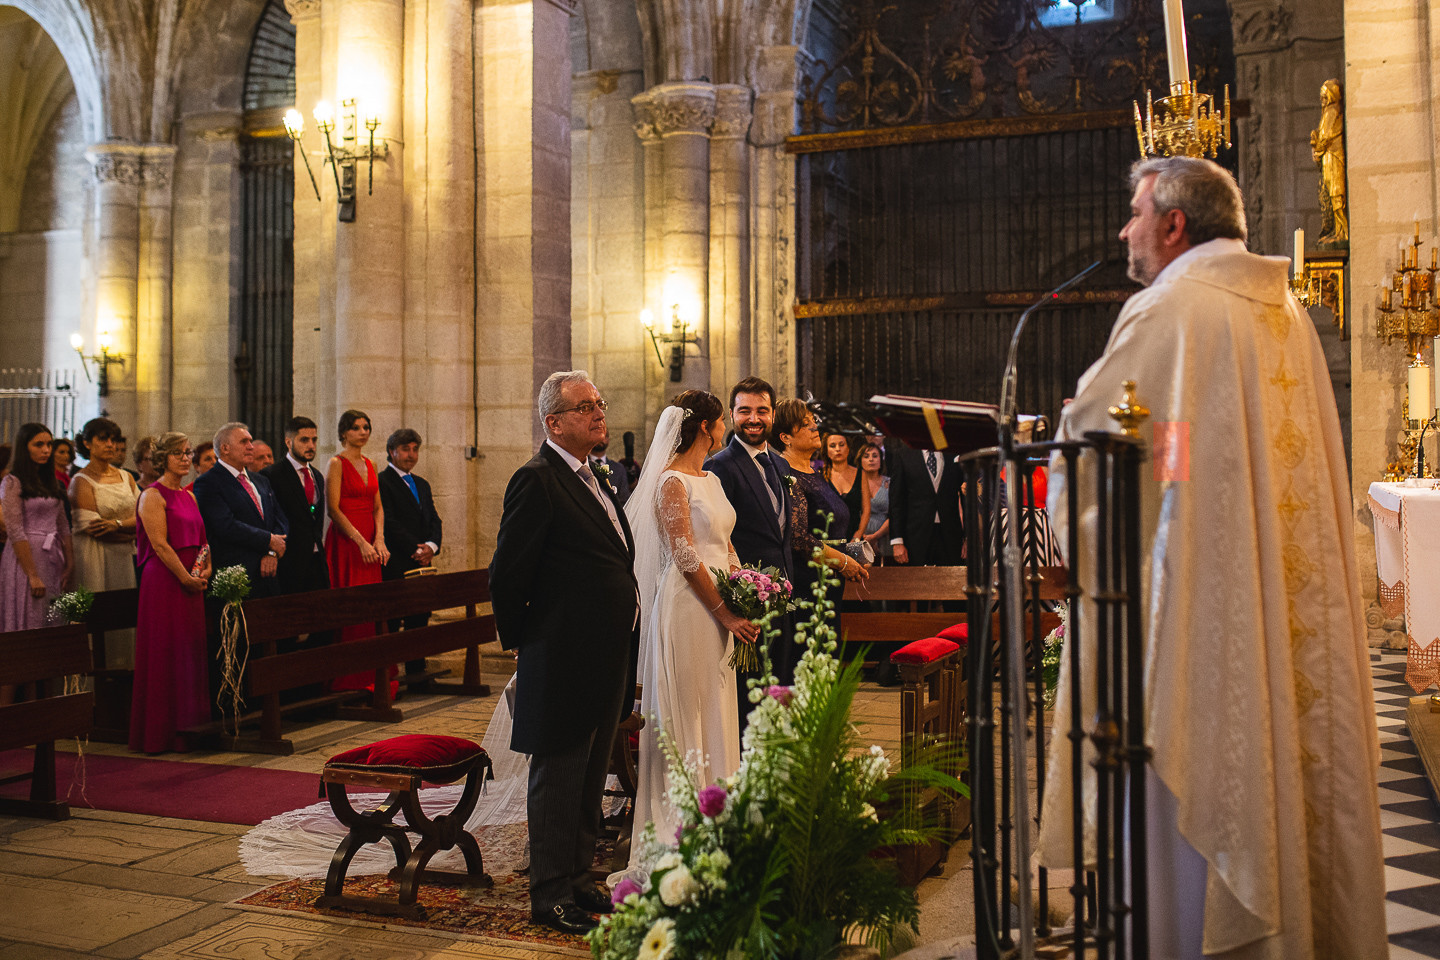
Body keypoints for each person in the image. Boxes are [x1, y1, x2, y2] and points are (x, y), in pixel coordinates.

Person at [1038, 156, 1386, 959]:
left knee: (1188, 843)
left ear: (1172, 224)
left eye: (1133, 214)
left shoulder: (1170, 310)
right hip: (1272, 602)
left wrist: (1069, 476)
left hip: (1198, 620)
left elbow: (1102, 455)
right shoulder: (1284, 310)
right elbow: (1191, 451)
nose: (1124, 230)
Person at [489, 370, 639, 936]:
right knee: (557, 779)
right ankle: (549, 894)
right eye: (585, 407)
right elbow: (507, 575)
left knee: (588, 777)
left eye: (600, 402)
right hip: (563, 657)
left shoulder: (594, 475)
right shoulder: (537, 479)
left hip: (604, 657)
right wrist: (539, 643)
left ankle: (579, 880)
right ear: (554, 422)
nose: (599, 413)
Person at [625, 391, 758, 866]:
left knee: (718, 699)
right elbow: (685, 557)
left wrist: (752, 589)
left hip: (723, 601)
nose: (724, 428)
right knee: (690, 702)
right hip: (690, 607)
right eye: (722, 421)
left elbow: (725, 545)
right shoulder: (670, 483)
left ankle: (719, 801)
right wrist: (724, 611)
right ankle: (686, 811)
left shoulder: (713, 479)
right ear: (708, 426)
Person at [705, 377, 795, 705]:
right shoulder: (719, 467)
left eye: (762, 411)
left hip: (785, 595)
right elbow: (716, 537)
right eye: (745, 411)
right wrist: (736, 601)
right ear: (731, 415)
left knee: (781, 686)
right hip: (748, 601)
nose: (754, 419)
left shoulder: (782, 464)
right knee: (750, 696)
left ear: (773, 415)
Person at [130, 433, 211, 753]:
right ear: (163, 458)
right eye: (178, 453)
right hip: (164, 580)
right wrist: (185, 577)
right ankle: (161, 734)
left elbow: (203, 539)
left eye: (188, 453)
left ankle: (189, 731)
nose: (185, 458)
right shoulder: (152, 495)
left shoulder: (189, 497)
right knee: (165, 652)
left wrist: (204, 569)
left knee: (188, 654)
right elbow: (159, 544)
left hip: (191, 579)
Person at [772, 400, 868, 642]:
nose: (816, 428)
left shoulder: (814, 473)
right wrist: (844, 562)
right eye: (806, 424)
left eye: (814, 422)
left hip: (830, 577)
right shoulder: (788, 474)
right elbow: (798, 538)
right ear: (786, 437)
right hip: (808, 581)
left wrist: (850, 558)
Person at [0, 424, 73, 703]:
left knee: (45, 633)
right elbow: (15, 530)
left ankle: (36, 710)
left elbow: (64, 525)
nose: (46, 450)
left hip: (52, 557)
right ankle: (6, 710)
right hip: (25, 560)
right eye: (38, 445)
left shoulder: (51, 481)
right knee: (24, 632)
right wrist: (32, 575)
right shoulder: (13, 482)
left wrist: (69, 563)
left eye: (48, 444)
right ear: (24, 447)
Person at [324, 409, 392, 693]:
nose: (363, 432)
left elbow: (378, 506)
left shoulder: (371, 463)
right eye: (356, 428)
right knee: (351, 605)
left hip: (369, 542)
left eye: (367, 427)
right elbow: (333, 509)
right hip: (347, 542)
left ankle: (374, 675)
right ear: (344, 433)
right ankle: (349, 679)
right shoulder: (336, 463)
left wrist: (379, 540)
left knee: (372, 605)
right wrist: (360, 542)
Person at [70, 417, 140, 668]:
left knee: (122, 617)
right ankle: (95, 687)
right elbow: (95, 529)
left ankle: (120, 676)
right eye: (103, 439)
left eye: (114, 439)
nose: (110, 445)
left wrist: (119, 526)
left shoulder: (126, 477)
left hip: (122, 555)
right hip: (94, 556)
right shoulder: (81, 480)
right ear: (87, 443)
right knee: (98, 615)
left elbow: (141, 518)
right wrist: (129, 531)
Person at [193, 422, 288, 594]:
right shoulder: (208, 482)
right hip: (236, 573)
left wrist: (272, 552)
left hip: (270, 572)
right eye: (244, 442)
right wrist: (268, 540)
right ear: (225, 448)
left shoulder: (260, 480)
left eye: (250, 442)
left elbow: (280, 518)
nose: (251, 447)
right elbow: (225, 526)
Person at [379, 427, 443, 675]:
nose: (411, 455)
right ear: (391, 452)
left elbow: (434, 520)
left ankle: (417, 673)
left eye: (415, 449)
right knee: (394, 619)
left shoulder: (421, 483)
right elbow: (389, 522)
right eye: (405, 449)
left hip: (422, 561)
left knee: (419, 618)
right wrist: (415, 549)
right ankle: (390, 675)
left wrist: (432, 546)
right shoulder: (382, 481)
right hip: (396, 560)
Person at [259, 417, 330, 596]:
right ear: (289, 442)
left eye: (314, 440)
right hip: (288, 561)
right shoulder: (271, 475)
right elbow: (269, 519)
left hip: (316, 559)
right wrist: (271, 552)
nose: (311, 445)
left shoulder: (317, 476)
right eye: (304, 440)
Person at [888, 444, 963, 567]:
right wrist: (897, 541)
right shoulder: (903, 454)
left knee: (949, 581)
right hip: (915, 535)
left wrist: (967, 537)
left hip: (950, 534)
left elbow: (965, 494)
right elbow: (896, 501)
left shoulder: (953, 453)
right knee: (916, 582)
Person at [821, 430, 868, 541]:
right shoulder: (820, 475)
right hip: (828, 537)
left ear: (848, 448)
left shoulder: (861, 474)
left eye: (841, 445)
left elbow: (866, 510)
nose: (838, 449)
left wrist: (858, 534)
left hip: (854, 536)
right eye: (832, 446)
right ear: (826, 450)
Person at [857, 444, 891, 563]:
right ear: (860, 460)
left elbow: (895, 513)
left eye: (875, 456)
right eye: (866, 456)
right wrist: (864, 536)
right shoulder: (854, 484)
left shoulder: (889, 484)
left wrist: (875, 536)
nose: (871, 459)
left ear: (881, 460)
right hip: (859, 537)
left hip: (885, 536)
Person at [588, 427, 632, 507]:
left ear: (608, 439)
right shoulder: (582, 465)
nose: (601, 438)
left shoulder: (618, 468)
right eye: (597, 434)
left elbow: (624, 499)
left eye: (604, 435)